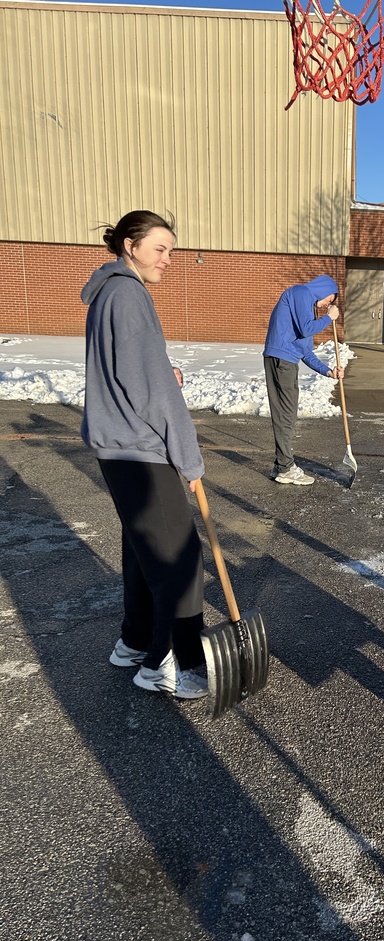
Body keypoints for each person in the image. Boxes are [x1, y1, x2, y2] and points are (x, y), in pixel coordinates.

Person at [81, 209, 208, 700]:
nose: (168, 259)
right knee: (180, 560)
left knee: (144, 552)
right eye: (160, 248)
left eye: (171, 250)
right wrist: (189, 458)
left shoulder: (108, 292)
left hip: (119, 447)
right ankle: (170, 663)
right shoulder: (129, 294)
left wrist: (161, 372)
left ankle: (135, 641)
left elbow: (132, 370)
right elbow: (152, 391)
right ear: (130, 246)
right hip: (140, 449)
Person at [263, 275, 345, 485]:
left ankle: (281, 465)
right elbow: (307, 328)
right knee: (285, 414)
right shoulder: (301, 293)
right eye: (329, 299)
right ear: (323, 289)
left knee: (287, 415)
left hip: (285, 360)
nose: (327, 304)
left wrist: (329, 372)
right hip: (281, 360)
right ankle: (285, 468)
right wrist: (329, 318)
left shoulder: (306, 309)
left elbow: (306, 352)